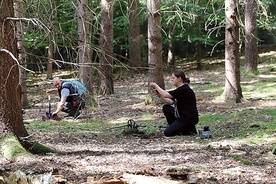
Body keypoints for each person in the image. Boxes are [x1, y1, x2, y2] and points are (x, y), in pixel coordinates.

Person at [149, 69, 199, 137]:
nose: (172, 80)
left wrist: (156, 86)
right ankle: (179, 128)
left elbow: (166, 95)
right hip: (181, 117)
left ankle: (188, 130)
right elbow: (170, 102)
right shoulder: (180, 90)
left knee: (167, 133)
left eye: (173, 78)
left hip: (188, 119)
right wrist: (160, 95)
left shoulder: (184, 89)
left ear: (179, 79)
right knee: (166, 108)